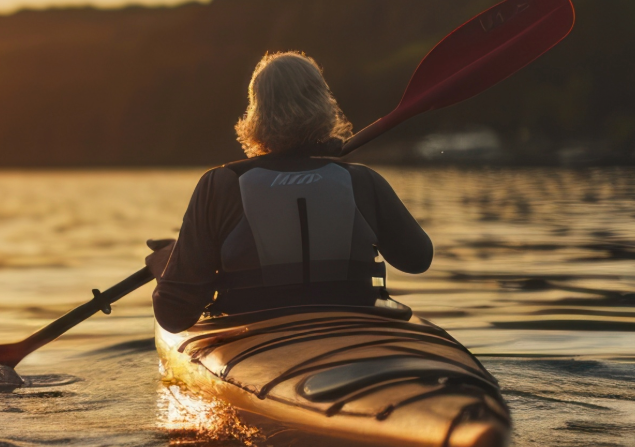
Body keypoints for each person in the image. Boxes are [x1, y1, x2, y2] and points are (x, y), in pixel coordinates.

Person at [149, 51, 431, 332]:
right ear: (324, 104)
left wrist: (166, 265)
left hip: (257, 340)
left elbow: (174, 315)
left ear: (256, 112)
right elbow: (417, 259)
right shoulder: (362, 181)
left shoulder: (220, 185)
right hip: (354, 328)